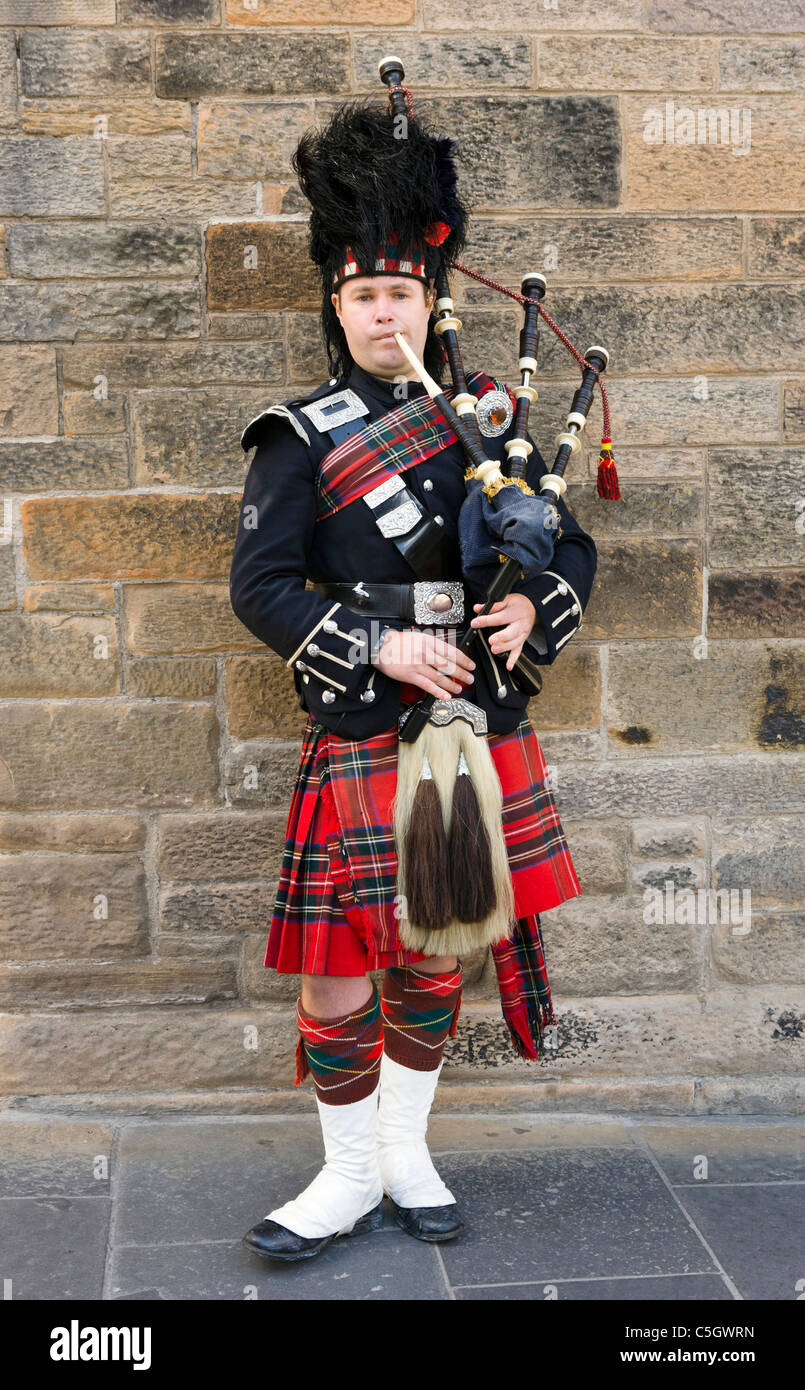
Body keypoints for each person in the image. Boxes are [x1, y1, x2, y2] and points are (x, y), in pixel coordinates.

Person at [229, 92, 597, 1264]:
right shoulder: (300, 434)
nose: (383, 314)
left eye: (400, 294)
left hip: (471, 724)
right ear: (336, 306)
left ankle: (405, 1154)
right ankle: (341, 1178)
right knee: (340, 971)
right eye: (361, 297)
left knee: (440, 945)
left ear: (430, 298)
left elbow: (569, 542)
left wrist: (533, 599)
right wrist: (378, 643)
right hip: (361, 721)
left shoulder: (491, 417)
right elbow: (262, 586)